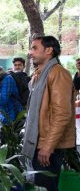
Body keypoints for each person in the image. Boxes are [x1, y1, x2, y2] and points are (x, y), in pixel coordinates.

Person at [22, 36, 75, 190]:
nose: (30, 52)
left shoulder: (58, 73)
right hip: (39, 143)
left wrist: (48, 147)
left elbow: (62, 114)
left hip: (48, 146)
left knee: (45, 187)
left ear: (49, 50)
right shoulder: (39, 74)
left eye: (34, 48)